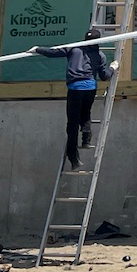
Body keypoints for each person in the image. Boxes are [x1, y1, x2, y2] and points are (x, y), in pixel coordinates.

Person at [34, 27, 116, 169]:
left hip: (75, 88)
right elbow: (105, 76)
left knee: (72, 124)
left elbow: (52, 52)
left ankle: (74, 158)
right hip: (90, 87)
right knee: (85, 114)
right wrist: (113, 67)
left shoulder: (73, 48)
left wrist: (37, 49)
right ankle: (86, 139)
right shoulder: (99, 55)